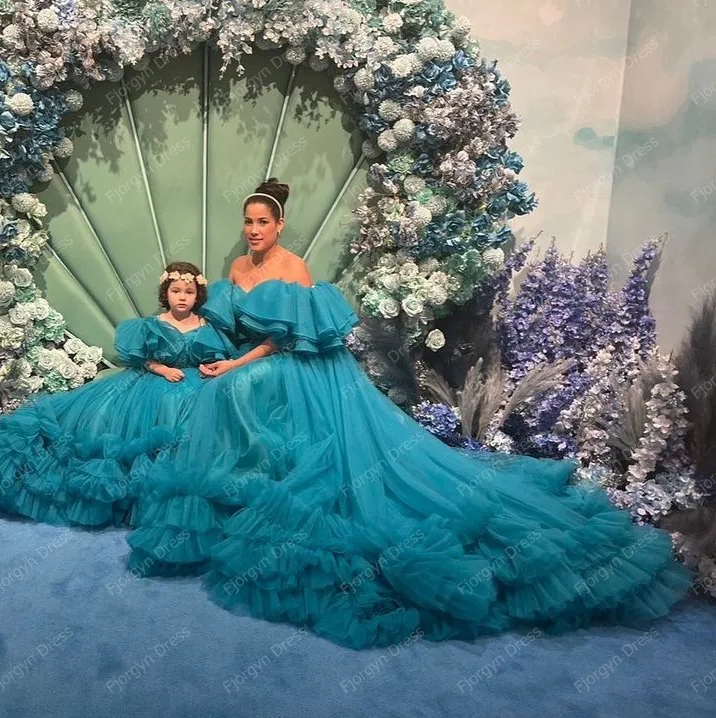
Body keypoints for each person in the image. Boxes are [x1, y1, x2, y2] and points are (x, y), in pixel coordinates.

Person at [123, 177, 693, 650]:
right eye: (248, 222)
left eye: (262, 222)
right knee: (222, 391)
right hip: (255, 359)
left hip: (297, 363)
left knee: (239, 391)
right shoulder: (236, 269)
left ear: (280, 225)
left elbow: (285, 340)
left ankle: (272, 478)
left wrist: (234, 366)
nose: (253, 230)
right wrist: (211, 359)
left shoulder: (292, 269)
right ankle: (243, 486)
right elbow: (232, 327)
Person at [0, 261, 235, 528]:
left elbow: (215, 356)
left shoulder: (205, 325)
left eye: (189, 292)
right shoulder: (153, 324)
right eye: (176, 291)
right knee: (109, 418)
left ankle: (182, 494)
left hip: (194, 380)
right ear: (166, 293)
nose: (182, 297)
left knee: (195, 418)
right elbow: (142, 358)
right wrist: (162, 369)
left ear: (198, 295)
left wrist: (208, 366)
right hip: (155, 379)